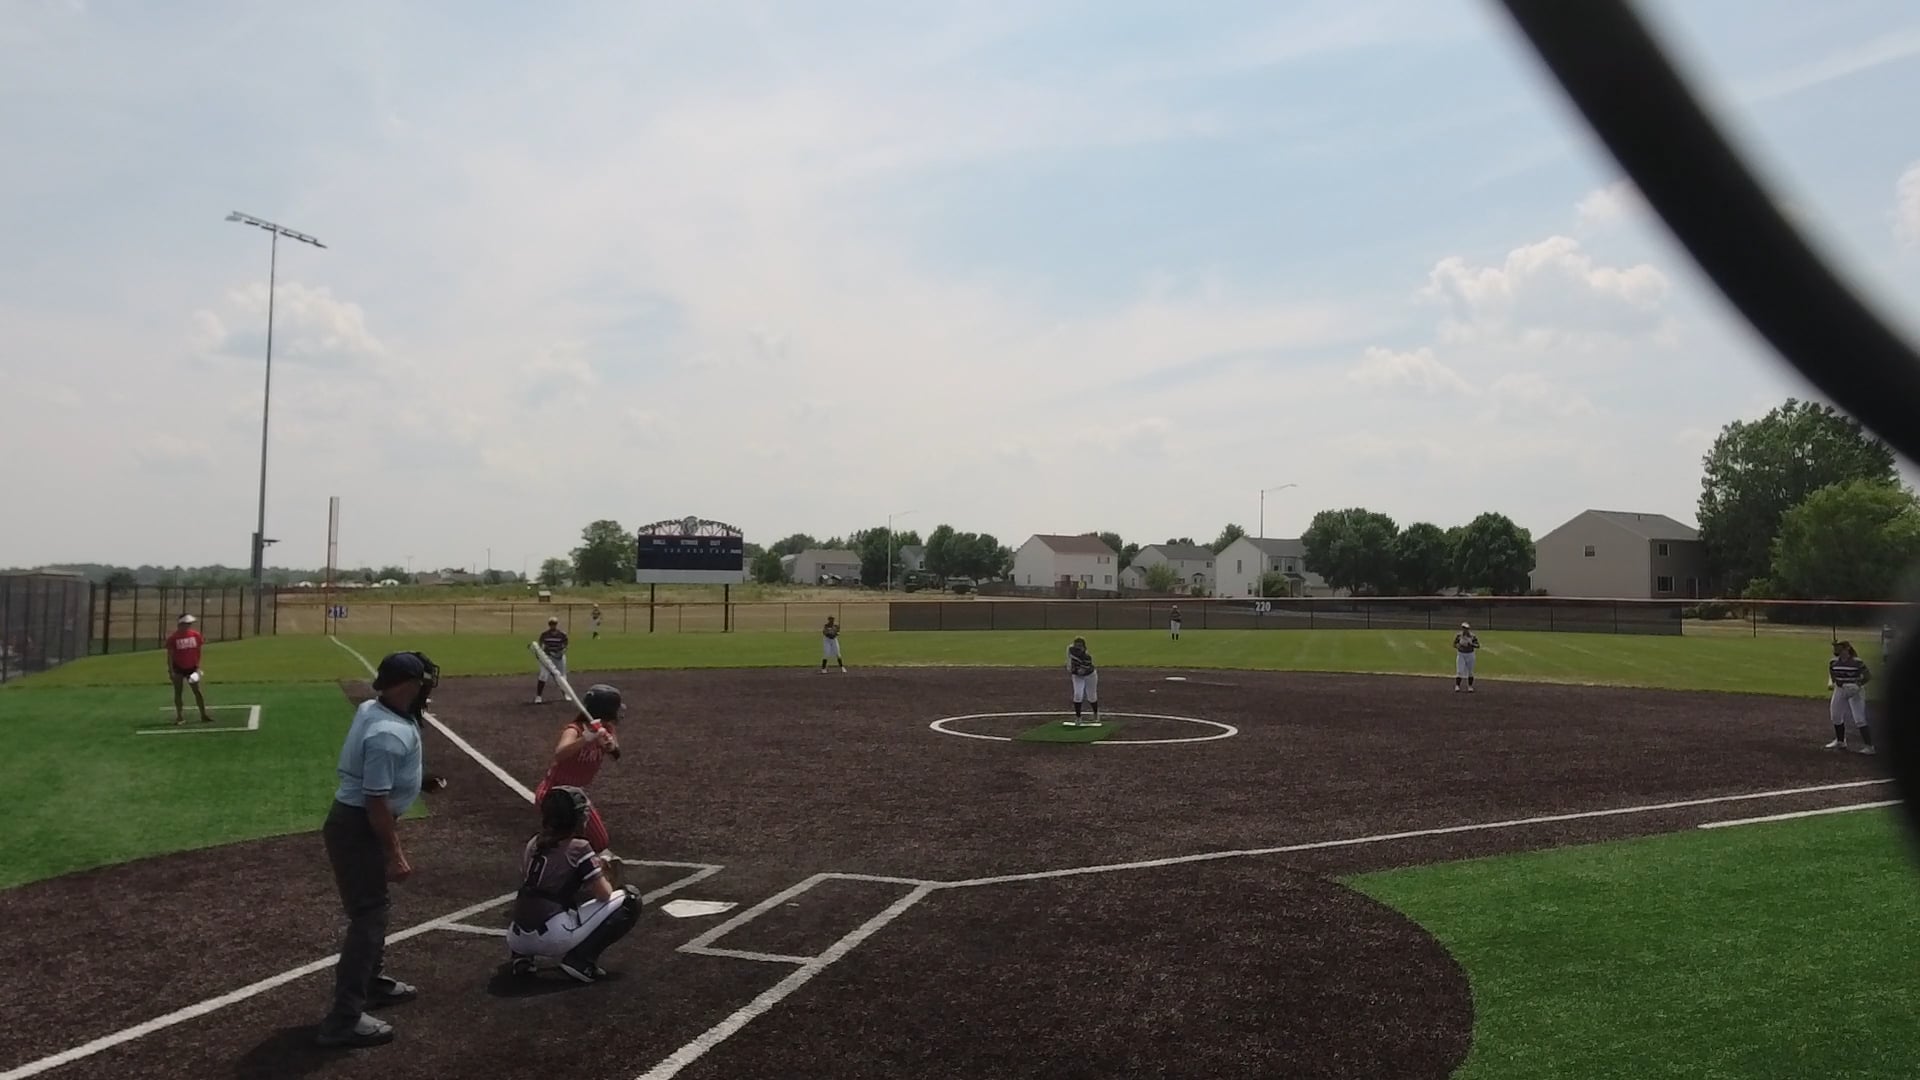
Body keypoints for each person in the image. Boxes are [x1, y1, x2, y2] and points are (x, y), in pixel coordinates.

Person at [316, 651, 444, 1049]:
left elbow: (383, 774)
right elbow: (375, 801)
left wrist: (418, 780)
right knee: (369, 917)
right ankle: (344, 1019)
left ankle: (371, 984)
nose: (426, 688)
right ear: (407, 686)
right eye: (422, 682)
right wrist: (394, 854)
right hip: (359, 828)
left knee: (375, 910)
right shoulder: (388, 734)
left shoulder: (376, 708)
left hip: (358, 823)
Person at [505, 786, 640, 984]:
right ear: (576, 818)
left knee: (535, 896)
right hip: (553, 937)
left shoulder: (534, 843)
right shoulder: (579, 847)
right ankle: (581, 961)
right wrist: (602, 872)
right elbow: (604, 894)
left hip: (516, 936)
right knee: (631, 898)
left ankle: (521, 957)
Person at [532, 684, 624, 871]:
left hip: (576, 796)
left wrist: (610, 746)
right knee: (562, 840)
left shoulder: (606, 728)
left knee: (600, 841)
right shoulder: (575, 730)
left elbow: (616, 753)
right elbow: (560, 754)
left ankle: (583, 872)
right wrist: (586, 738)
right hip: (554, 793)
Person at [1826, 640, 1874, 754]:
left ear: (1846, 648)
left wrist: (1857, 685)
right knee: (1835, 715)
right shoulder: (1833, 662)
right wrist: (1834, 683)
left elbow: (1867, 676)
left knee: (1859, 718)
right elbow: (1833, 676)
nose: (1835, 649)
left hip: (1856, 691)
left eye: (1838, 647)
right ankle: (1840, 741)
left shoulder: (1857, 662)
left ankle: (1869, 747)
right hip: (1841, 689)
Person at [164, 614, 213, 725]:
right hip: (178, 668)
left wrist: (197, 666)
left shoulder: (195, 635)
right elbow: (170, 655)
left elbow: (198, 651)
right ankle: (180, 717)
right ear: (181, 624)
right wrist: (170, 671)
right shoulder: (173, 638)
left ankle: (203, 714)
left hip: (192, 668)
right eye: (187, 623)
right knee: (178, 692)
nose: (189, 625)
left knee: (197, 691)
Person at [534, 617, 569, 704]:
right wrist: (540, 654)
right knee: (543, 675)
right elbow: (540, 646)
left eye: (554, 624)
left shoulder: (562, 634)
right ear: (549, 625)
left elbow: (565, 645)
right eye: (551, 624)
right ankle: (538, 696)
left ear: (557, 624)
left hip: (559, 657)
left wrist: (561, 653)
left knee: (561, 676)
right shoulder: (544, 635)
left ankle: (565, 694)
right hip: (548, 658)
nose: (553, 625)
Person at [1066, 637, 1100, 726]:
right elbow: (1069, 660)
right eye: (1076, 645)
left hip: (1090, 676)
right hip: (1077, 676)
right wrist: (1071, 668)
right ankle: (1078, 717)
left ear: (1083, 647)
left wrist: (1076, 670)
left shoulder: (1087, 657)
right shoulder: (1070, 650)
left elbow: (1083, 671)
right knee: (1078, 695)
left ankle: (1096, 714)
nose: (1077, 648)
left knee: (1091, 696)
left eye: (1080, 646)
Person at [1453, 622, 1480, 692]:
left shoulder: (1472, 636)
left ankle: (1470, 686)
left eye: (1466, 628)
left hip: (1470, 654)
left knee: (1470, 671)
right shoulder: (1459, 635)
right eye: (1464, 628)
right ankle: (1457, 686)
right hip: (1461, 654)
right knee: (1459, 671)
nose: (1465, 630)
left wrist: (1471, 644)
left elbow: (1478, 645)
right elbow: (1454, 644)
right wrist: (1459, 646)